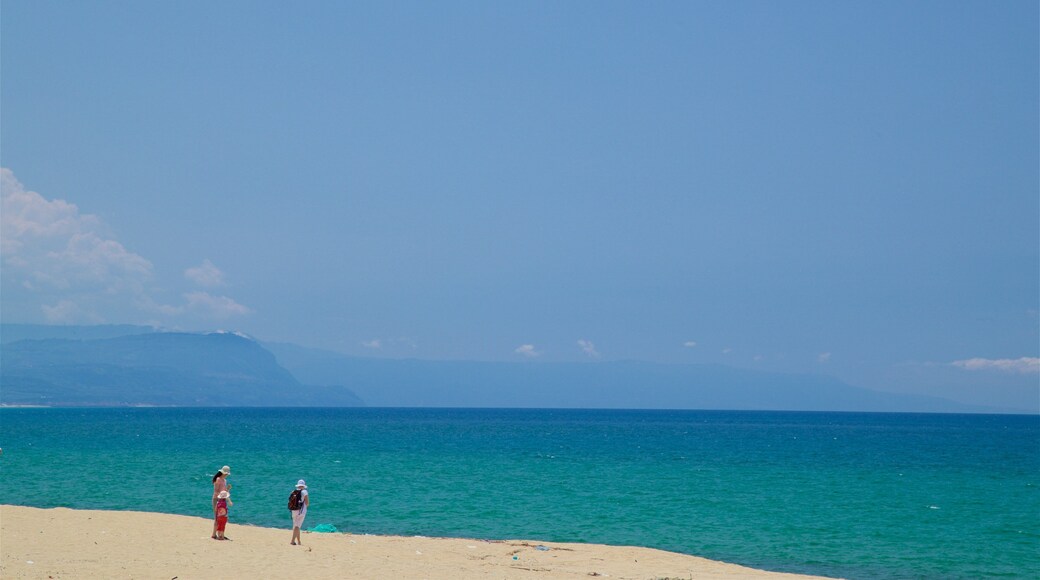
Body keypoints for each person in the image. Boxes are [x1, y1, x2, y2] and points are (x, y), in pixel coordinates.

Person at [211, 465, 230, 539]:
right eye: (227, 474)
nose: (227, 475)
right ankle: (213, 534)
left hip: (222, 500)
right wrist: (218, 501)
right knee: (217, 517)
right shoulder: (218, 479)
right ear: (224, 473)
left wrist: (227, 489)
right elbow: (216, 491)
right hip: (216, 499)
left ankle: (220, 534)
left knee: (222, 517)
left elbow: (224, 492)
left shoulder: (224, 481)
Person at [289, 479, 309, 545]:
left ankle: (299, 541)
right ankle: (292, 541)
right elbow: (307, 502)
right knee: (297, 526)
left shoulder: (293, 492)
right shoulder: (304, 491)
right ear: (303, 485)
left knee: (296, 526)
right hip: (301, 511)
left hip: (293, 510)